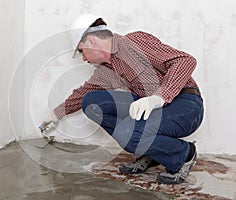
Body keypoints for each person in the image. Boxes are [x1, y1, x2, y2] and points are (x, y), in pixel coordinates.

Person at [50, 13, 204, 184]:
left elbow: (185, 61)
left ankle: (184, 154)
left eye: (81, 51)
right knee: (91, 101)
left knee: (129, 133)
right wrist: (56, 115)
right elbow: (81, 94)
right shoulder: (105, 71)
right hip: (153, 108)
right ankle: (151, 153)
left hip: (186, 104)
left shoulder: (133, 43)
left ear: (91, 41)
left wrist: (159, 96)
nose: (84, 58)